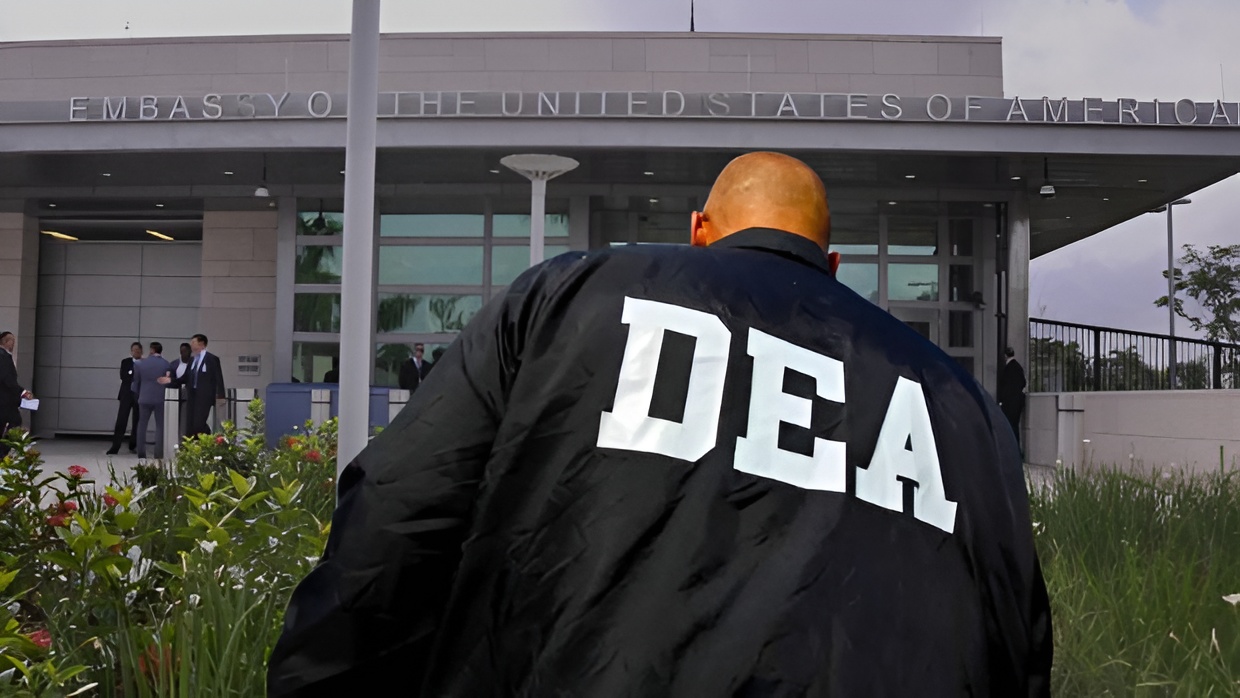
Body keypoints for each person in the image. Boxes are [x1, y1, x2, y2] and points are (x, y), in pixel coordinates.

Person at [268, 152, 1051, 697]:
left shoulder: (568, 298)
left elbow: (396, 520)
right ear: (833, 262)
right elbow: (1017, 635)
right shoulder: (960, 407)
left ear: (699, 230)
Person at [160, 334, 225, 437]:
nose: (191, 344)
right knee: (190, 424)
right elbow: (185, 377)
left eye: (194, 342)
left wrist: (220, 395)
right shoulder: (192, 360)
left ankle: (207, 438)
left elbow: (218, 378)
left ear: (202, 344)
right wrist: (171, 380)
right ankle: (193, 443)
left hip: (204, 396)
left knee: (199, 423)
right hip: (192, 395)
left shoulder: (212, 359)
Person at [131, 341, 172, 460]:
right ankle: (158, 453)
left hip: (144, 397)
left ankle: (141, 453)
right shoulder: (166, 364)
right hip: (160, 397)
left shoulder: (140, 364)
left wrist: (139, 393)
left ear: (152, 350)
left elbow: (136, 382)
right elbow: (167, 381)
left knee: (142, 424)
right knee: (160, 425)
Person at [0, 331, 33, 460]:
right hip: (5, 401)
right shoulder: (3, 357)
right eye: (12, 341)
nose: (13, 344)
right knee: (15, 422)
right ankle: (2, 451)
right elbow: (8, 379)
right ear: (6, 342)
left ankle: (2, 452)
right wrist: (22, 392)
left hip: (5, 401)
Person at [106, 341, 142, 455]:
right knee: (121, 420)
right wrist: (134, 375)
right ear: (131, 352)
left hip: (139, 395)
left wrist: (133, 375)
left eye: (138, 350)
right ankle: (115, 446)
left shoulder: (144, 363)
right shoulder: (126, 362)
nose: (136, 352)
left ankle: (133, 444)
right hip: (126, 394)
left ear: (141, 351)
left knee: (137, 421)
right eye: (134, 350)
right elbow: (124, 376)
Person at [998, 347, 1028, 447]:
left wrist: (1001, 401)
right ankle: (1016, 447)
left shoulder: (1007, 369)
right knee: (1015, 426)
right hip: (1018, 402)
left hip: (1009, 403)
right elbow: (1023, 383)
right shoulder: (1018, 367)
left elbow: (1003, 386)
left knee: (1009, 426)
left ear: (1005, 356)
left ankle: (1010, 447)